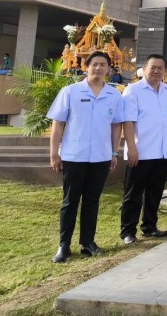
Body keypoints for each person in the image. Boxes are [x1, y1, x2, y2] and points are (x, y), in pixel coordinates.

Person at [47, 51, 124, 263]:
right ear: (86, 66)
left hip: (100, 156)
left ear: (109, 68)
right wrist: (54, 153)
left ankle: (87, 242)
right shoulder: (70, 91)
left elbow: (116, 125)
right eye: (95, 64)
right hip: (74, 155)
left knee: (92, 200)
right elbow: (57, 123)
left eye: (103, 65)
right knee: (70, 201)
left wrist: (114, 152)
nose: (98, 68)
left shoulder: (114, 95)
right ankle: (64, 245)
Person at [120, 54, 167, 244]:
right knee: (133, 194)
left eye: (161, 68)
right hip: (140, 152)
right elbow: (128, 121)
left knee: (154, 193)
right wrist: (132, 147)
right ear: (144, 69)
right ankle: (128, 231)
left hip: (161, 152)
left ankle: (150, 226)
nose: (157, 71)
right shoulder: (133, 90)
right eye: (153, 67)